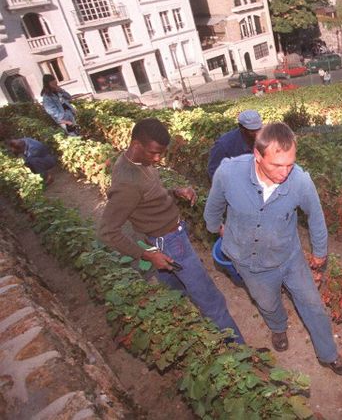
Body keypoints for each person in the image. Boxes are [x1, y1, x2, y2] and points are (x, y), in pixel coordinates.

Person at [203, 123, 342, 376]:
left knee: (313, 305)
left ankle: (329, 354)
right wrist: (216, 227)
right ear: (258, 156)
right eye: (277, 165)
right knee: (268, 303)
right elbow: (213, 208)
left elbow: (316, 217)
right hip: (251, 263)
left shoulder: (300, 181)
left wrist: (319, 252)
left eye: (290, 164)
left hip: (289, 255)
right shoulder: (229, 174)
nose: (285, 172)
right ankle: (278, 327)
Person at [98, 118, 244, 344]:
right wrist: (147, 255)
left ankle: (198, 336)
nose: (157, 159)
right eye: (154, 153)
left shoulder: (138, 162)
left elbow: (147, 193)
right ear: (136, 144)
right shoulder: (126, 183)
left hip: (166, 238)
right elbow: (108, 232)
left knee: (176, 291)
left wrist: (175, 191)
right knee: (210, 299)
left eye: (161, 154)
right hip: (170, 244)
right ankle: (240, 353)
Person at [207, 110, 263, 180]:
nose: (257, 133)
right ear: (241, 128)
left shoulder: (266, 137)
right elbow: (214, 172)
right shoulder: (224, 145)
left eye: (258, 129)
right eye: (252, 131)